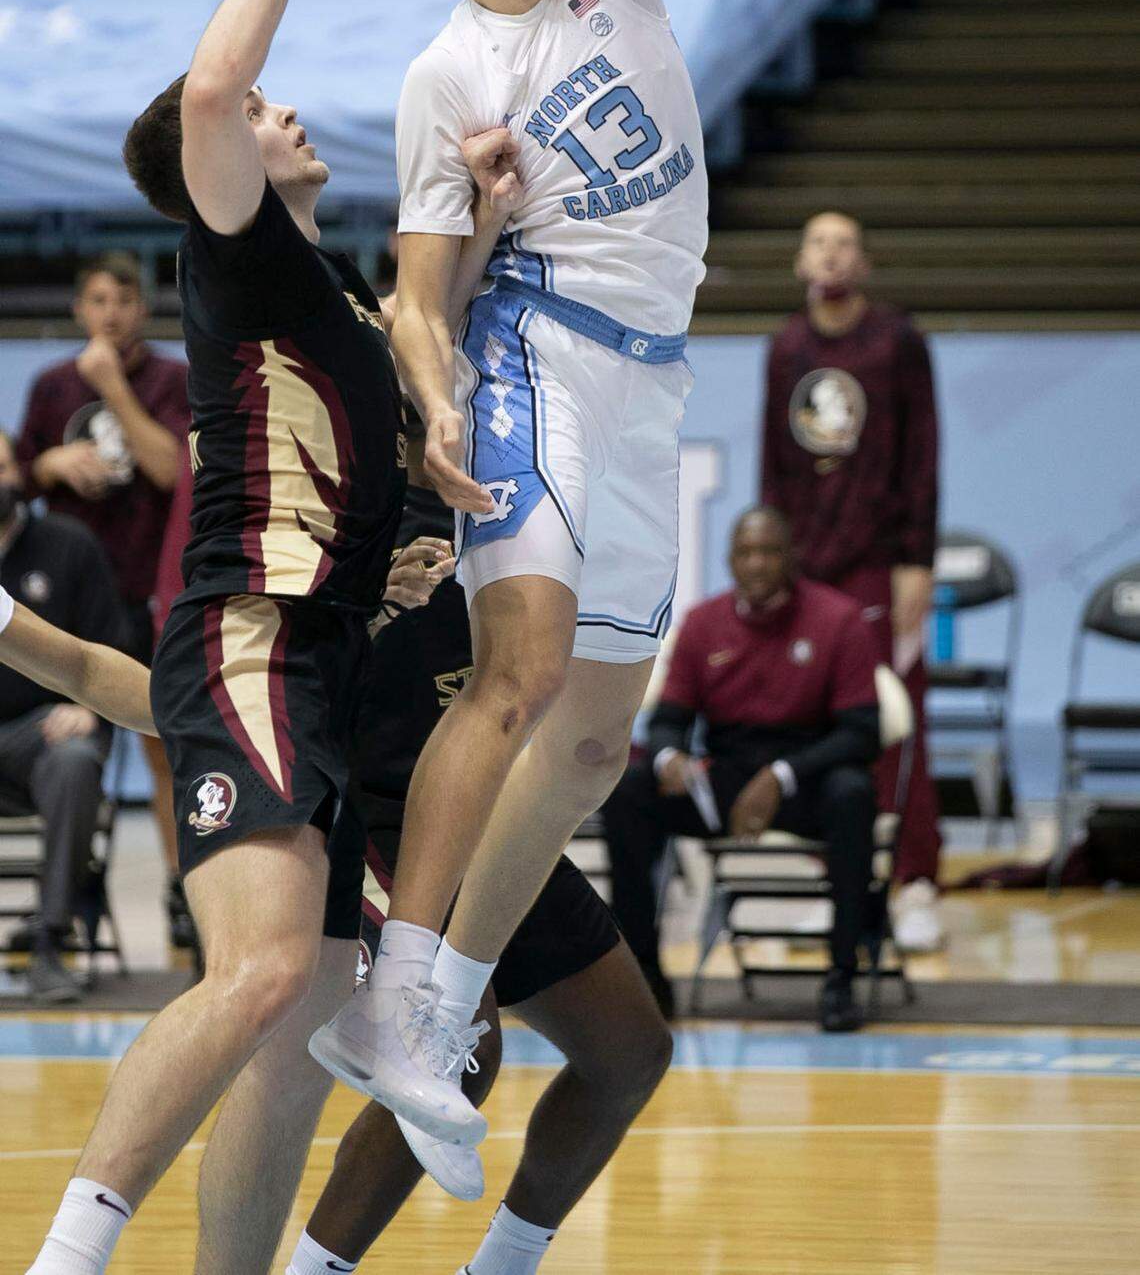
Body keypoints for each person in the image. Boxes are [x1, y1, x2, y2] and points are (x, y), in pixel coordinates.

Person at [309, 0, 707, 1160]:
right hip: (539, 342)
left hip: (655, 377)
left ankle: (450, 991)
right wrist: (440, 393)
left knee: (597, 739)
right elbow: (414, 291)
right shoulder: (442, 69)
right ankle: (398, 987)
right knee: (521, 673)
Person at [17, 0, 407, 1275]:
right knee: (254, 981)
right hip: (250, 636)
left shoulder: (337, 297)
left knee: (300, 1017)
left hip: (325, 656)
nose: (283, 108)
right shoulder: (231, 251)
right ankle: (70, 1253)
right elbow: (207, 98)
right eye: (263, 110)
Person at [0, 441, 671, 1275]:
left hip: (497, 819)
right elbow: (151, 676)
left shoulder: (528, 493)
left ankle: (502, 1265)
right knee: (435, 1039)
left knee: (630, 1053)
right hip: (378, 817)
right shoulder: (327, 504)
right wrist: (360, 609)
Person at [602, 507, 880, 1033]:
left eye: (770, 552)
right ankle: (644, 973)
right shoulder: (704, 623)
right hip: (726, 777)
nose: (757, 564)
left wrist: (783, 775)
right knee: (631, 789)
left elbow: (861, 732)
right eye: (746, 553)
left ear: (792, 558)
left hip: (808, 776)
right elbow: (667, 724)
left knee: (853, 793)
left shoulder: (838, 619)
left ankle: (841, 978)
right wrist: (670, 759)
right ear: (730, 560)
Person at [760, 211, 944, 953]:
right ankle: (834, 882)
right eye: (818, 243)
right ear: (801, 262)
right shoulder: (785, 349)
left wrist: (917, 563)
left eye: (845, 244)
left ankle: (915, 880)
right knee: (814, 727)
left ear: (863, 263)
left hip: (879, 560)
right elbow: (774, 462)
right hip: (806, 565)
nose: (831, 255)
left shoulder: (898, 342)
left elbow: (922, 457)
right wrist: (773, 566)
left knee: (896, 720)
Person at [15, 252, 190, 945]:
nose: (109, 313)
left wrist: (114, 390)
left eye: (122, 299)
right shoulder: (51, 386)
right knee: (66, 735)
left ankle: (182, 887)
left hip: (146, 590)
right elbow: (15, 483)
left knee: (164, 745)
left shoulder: (171, 381)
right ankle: (75, 886)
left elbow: (174, 470)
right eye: (96, 300)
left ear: (142, 309)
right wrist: (47, 465)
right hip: (65, 603)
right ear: (78, 309)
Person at [0, 430, 125, 1004]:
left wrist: (86, 707)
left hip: (40, 739)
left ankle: (51, 940)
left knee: (76, 760)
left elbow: (110, 652)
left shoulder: (69, 546)